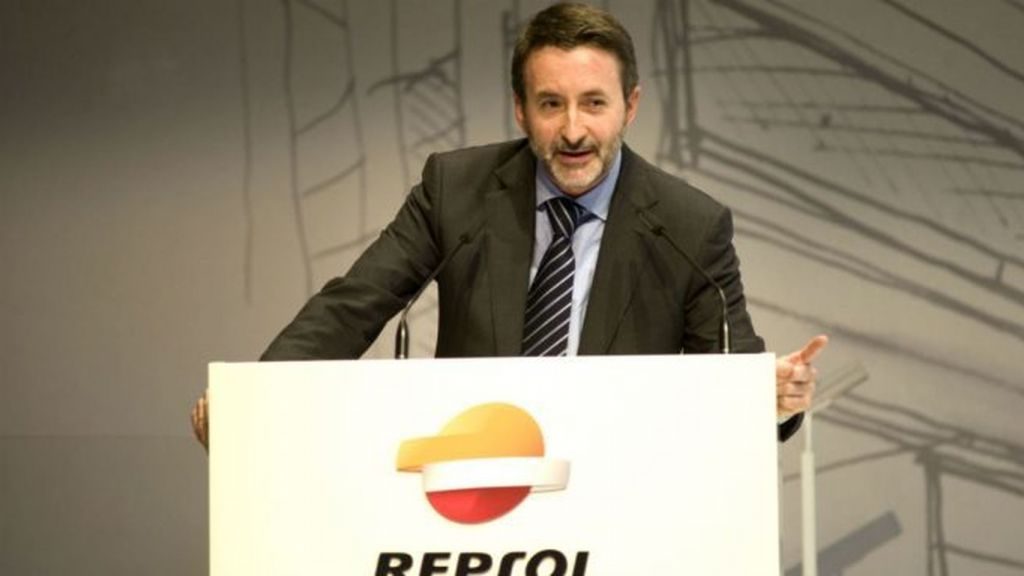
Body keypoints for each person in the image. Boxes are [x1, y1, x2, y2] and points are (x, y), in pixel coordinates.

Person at [191, 2, 825, 449]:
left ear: (630, 106)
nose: (573, 130)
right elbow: (351, 306)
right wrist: (254, 399)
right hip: (473, 487)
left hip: (620, 493)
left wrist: (771, 402)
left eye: (594, 103)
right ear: (520, 109)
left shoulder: (690, 226)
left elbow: (733, 377)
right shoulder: (456, 190)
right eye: (551, 104)